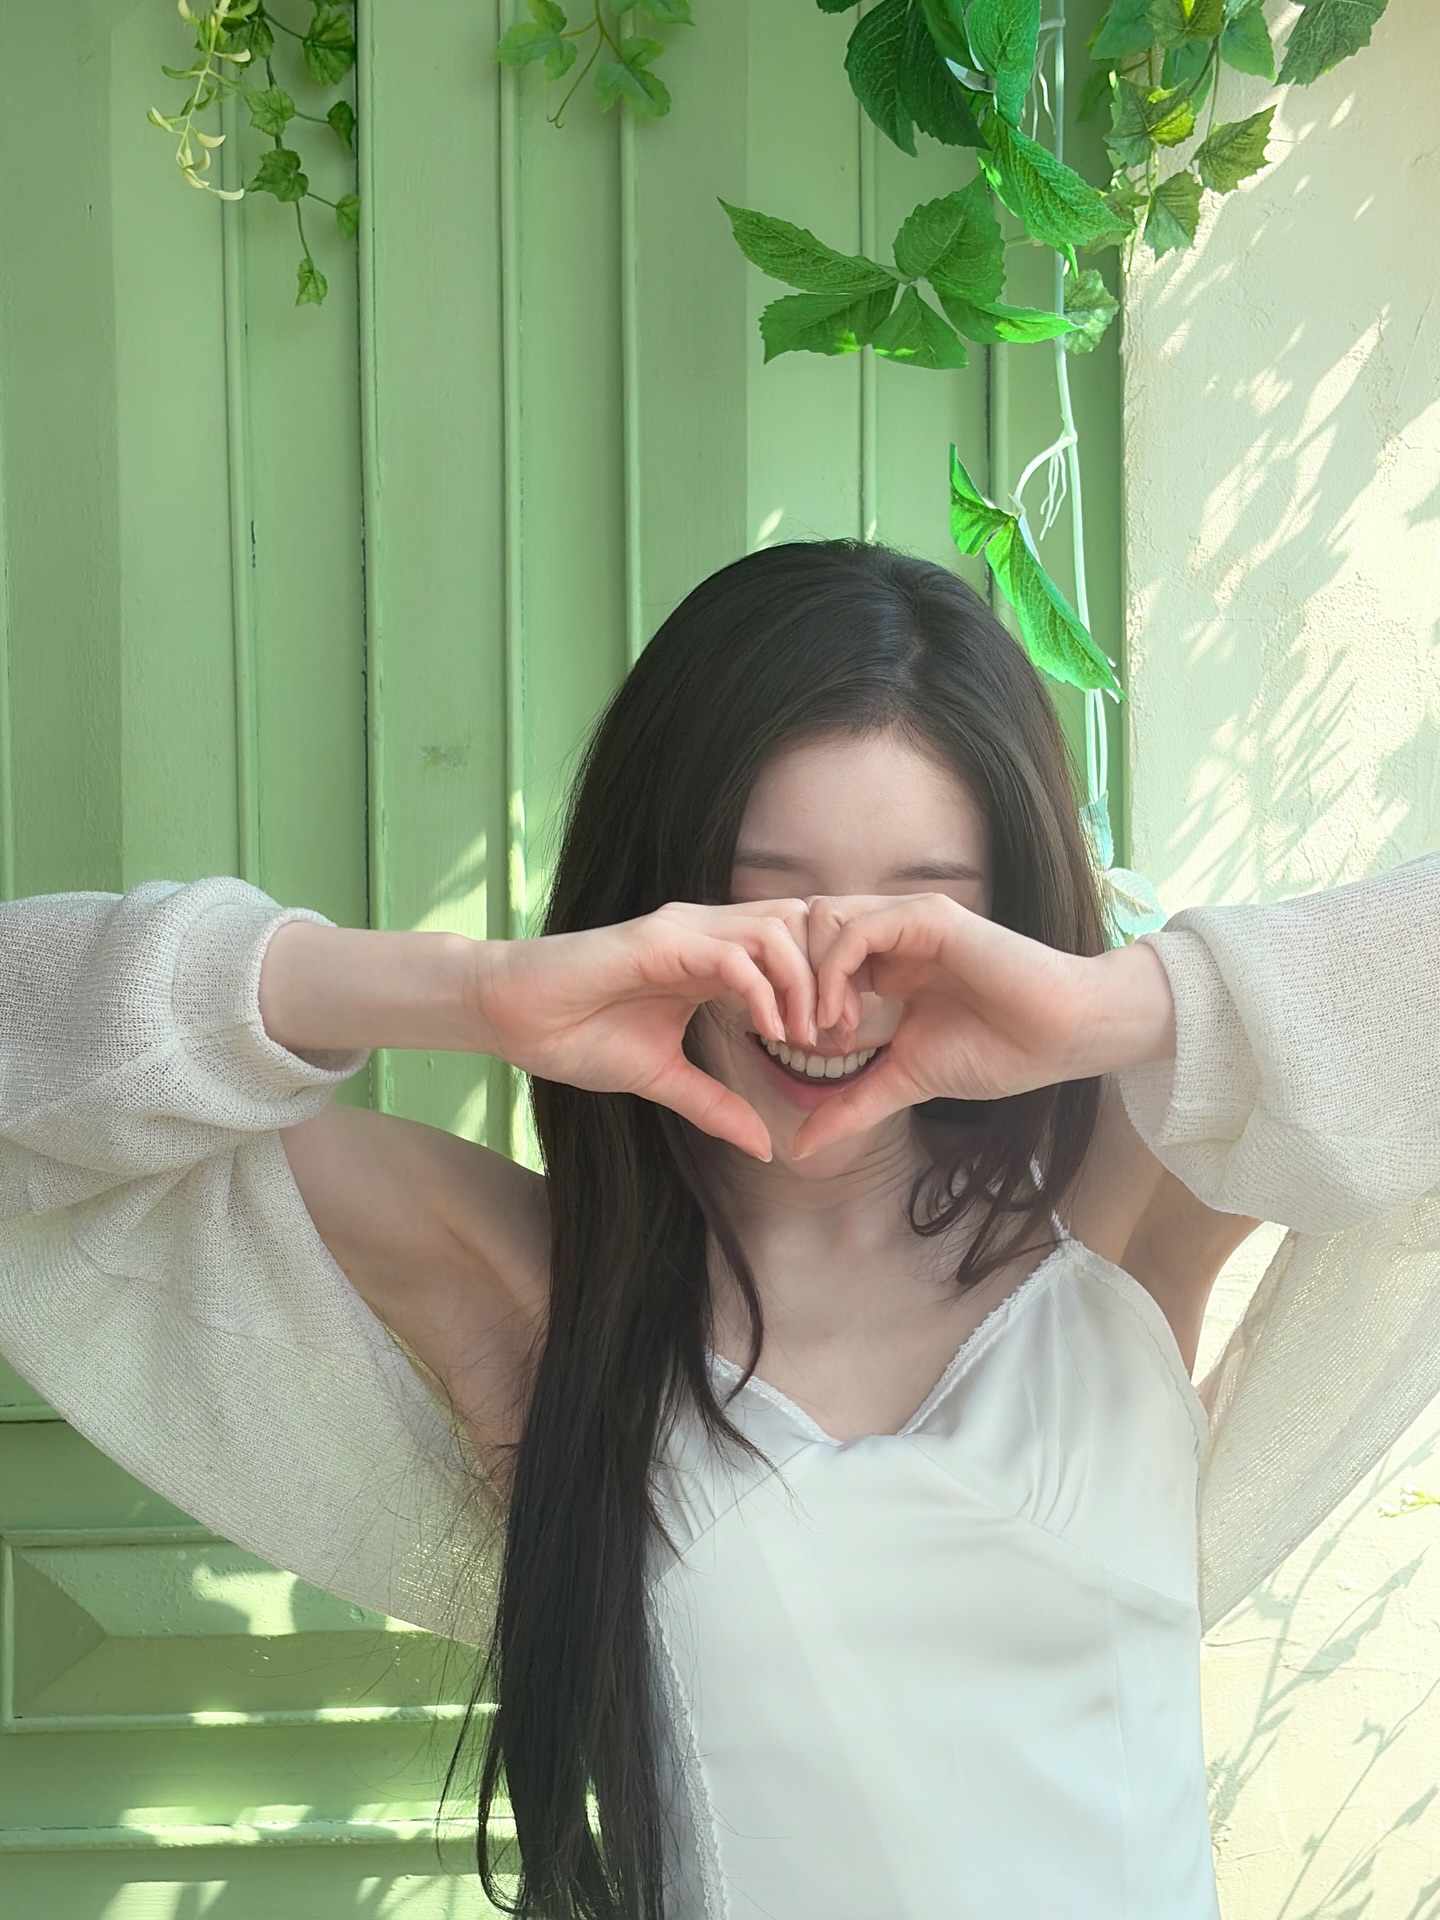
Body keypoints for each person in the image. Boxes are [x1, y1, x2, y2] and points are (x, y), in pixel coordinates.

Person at [0, 540, 1437, 1920]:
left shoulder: (1127, 1200)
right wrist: (480, 990)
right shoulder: (528, 1291)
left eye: (918, 917)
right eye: (763, 903)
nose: (826, 991)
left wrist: (1112, 1005)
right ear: (660, 899)